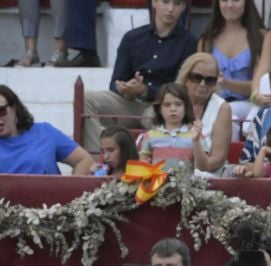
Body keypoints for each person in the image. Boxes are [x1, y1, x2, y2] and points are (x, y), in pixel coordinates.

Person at [77, 0, 195, 153]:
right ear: (154, 3)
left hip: (160, 104)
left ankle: (162, 166)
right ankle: (95, 160)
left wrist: (145, 90)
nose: (170, 9)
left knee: (171, 112)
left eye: (177, 4)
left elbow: (181, 88)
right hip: (128, 102)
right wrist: (124, 88)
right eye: (165, 2)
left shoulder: (189, 41)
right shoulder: (132, 37)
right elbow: (115, 81)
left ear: (183, 7)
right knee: (86, 98)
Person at [0, 84, 96, 176]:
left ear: (14, 109)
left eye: (1, 111)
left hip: (49, 207)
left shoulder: (45, 132)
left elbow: (85, 160)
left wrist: (70, 191)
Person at [197, 0, 264, 119]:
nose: (230, 5)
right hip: (213, 105)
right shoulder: (207, 40)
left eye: (236, 0)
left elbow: (260, 87)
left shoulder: (260, 37)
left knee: (228, 113)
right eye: (224, 0)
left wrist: (227, 83)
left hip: (250, 107)